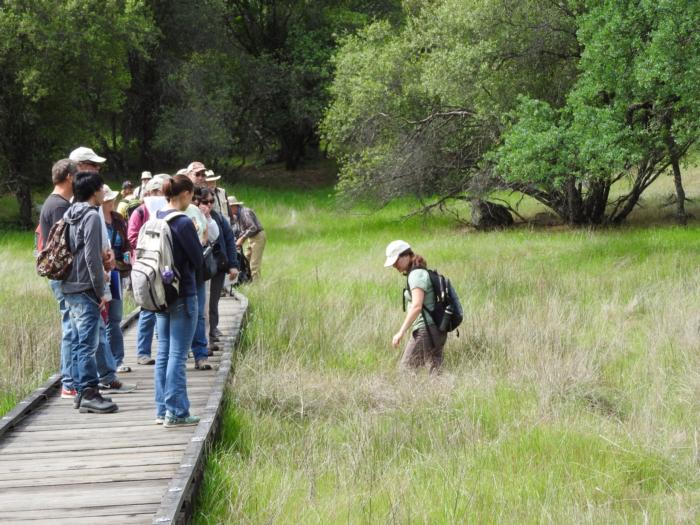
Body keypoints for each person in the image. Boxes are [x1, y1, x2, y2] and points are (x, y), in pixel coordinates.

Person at [61, 171, 118, 413]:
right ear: (94, 191)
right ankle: (89, 392)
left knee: (77, 340)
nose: (103, 191)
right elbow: (92, 259)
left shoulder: (69, 214)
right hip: (85, 286)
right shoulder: (92, 217)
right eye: (101, 187)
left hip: (69, 285)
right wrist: (100, 292)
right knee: (88, 342)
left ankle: (80, 390)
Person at [154, 174, 204, 427]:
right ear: (184, 194)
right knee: (178, 354)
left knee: (163, 352)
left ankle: (162, 409)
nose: (193, 200)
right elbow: (198, 261)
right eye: (192, 195)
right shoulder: (183, 222)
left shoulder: (158, 217)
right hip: (183, 293)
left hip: (160, 294)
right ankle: (178, 412)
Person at [39, 159, 78, 399]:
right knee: (71, 328)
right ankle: (69, 382)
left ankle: (70, 379)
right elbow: (65, 247)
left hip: (61, 276)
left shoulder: (55, 204)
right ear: (70, 178)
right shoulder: (58, 207)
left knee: (71, 326)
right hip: (63, 276)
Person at [384, 240, 446, 374]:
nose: (394, 265)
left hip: (426, 329)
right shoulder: (420, 272)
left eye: (396, 261)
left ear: (406, 256)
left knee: (405, 370)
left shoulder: (416, 275)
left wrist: (401, 332)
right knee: (436, 372)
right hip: (436, 328)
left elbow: (417, 306)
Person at [128, 174, 169, 365]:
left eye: (160, 190)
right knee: (147, 309)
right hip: (145, 266)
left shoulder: (168, 211)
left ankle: (164, 349)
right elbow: (132, 237)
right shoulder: (139, 212)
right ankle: (143, 353)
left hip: (165, 265)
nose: (157, 194)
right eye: (154, 191)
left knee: (165, 306)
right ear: (147, 193)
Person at [193, 187, 239, 346]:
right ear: (198, 201)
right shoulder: (192, 217)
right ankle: (204, 339)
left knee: (213, 301)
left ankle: (212, 333)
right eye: (205, 201)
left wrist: (233, 265)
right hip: (201, 267)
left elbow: (229, 241)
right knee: (202, 304)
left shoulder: (218, 218)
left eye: (212, 201)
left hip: (218, 264)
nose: (209, 205)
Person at [102, 184, 132, 373]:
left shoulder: (118, 219)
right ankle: (106, 363)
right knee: (103, 320)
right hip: (101, 273)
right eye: (107, 200)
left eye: (112, 199)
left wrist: (128, 256)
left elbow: (126, 241)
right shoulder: (95, 220)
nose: (111, 202)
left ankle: (117, 360)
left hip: (117, 272)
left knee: (115, 317)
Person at [186, 162, 212, 368]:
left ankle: (200, 354)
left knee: (199, 313)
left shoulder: (196, 211)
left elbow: (205, 233)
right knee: (184, 312)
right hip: (179, 269)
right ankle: (182, 352)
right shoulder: (170, 212)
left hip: (198, 267)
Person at [229, 196, 266, 280]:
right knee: (247, 259)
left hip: (258, 237)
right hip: (252, 238)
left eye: (229, 208)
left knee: (254, 263)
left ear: (234, 206)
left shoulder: (245, 212)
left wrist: (242, 239)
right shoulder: (237, 215)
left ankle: (257, 285)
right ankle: (249, 280)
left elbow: (253, 228)